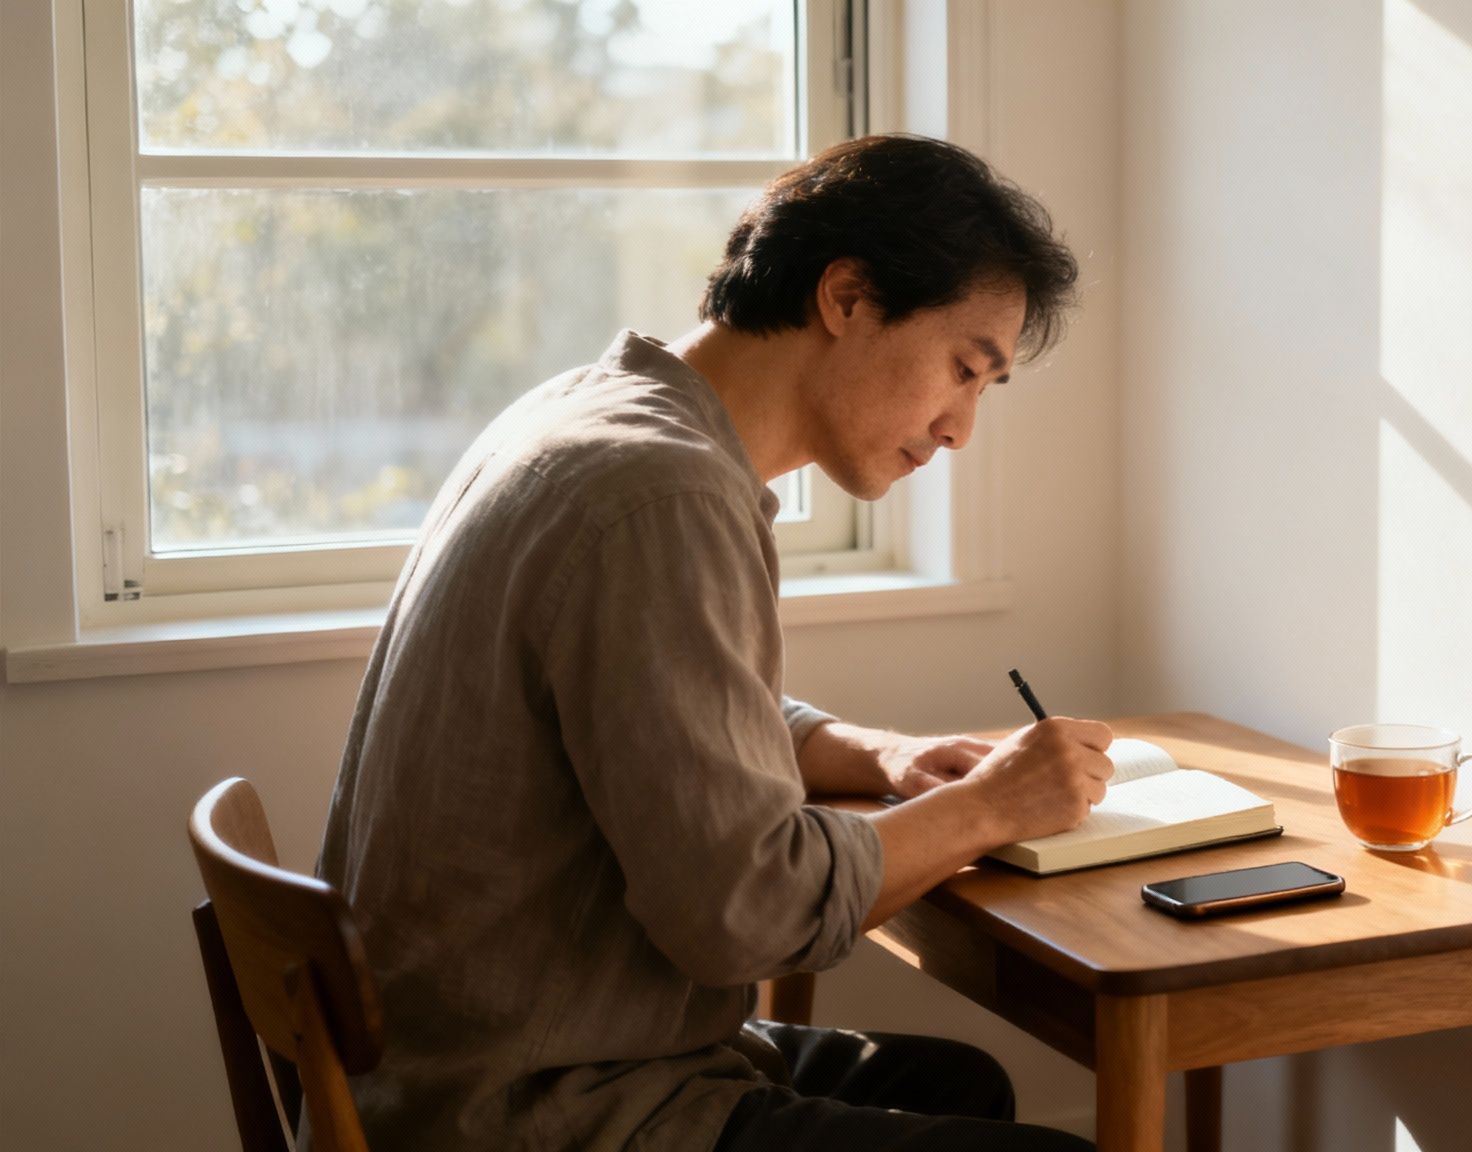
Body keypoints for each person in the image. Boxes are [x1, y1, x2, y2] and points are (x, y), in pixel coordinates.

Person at [313, 134, 1109, 1152]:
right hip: (539, 1105)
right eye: (963, 369)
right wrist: (993, 806)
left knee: (959, 1082)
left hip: (457, 1062)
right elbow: (750, 912)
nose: (959, 429)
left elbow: (662, 708)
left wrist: (883, 756)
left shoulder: (587, 414)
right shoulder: (665, 495)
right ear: (847, 296)